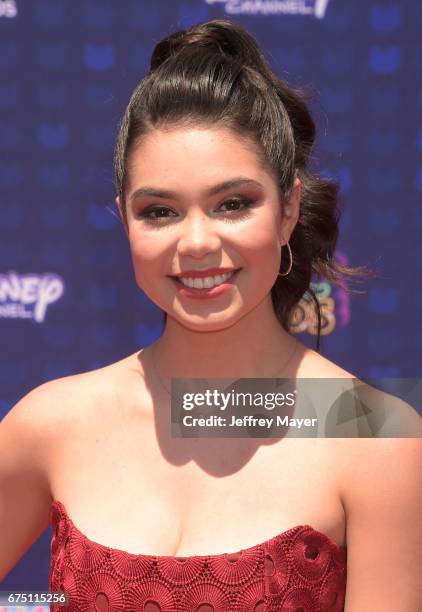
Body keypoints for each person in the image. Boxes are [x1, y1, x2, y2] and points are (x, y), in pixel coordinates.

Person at [1, 18, 421, 612]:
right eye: (160, 212)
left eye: (233, 204)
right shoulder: (51, 424)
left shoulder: (376, 437)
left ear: (289, 207)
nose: (196, 242)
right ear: (125, 220)